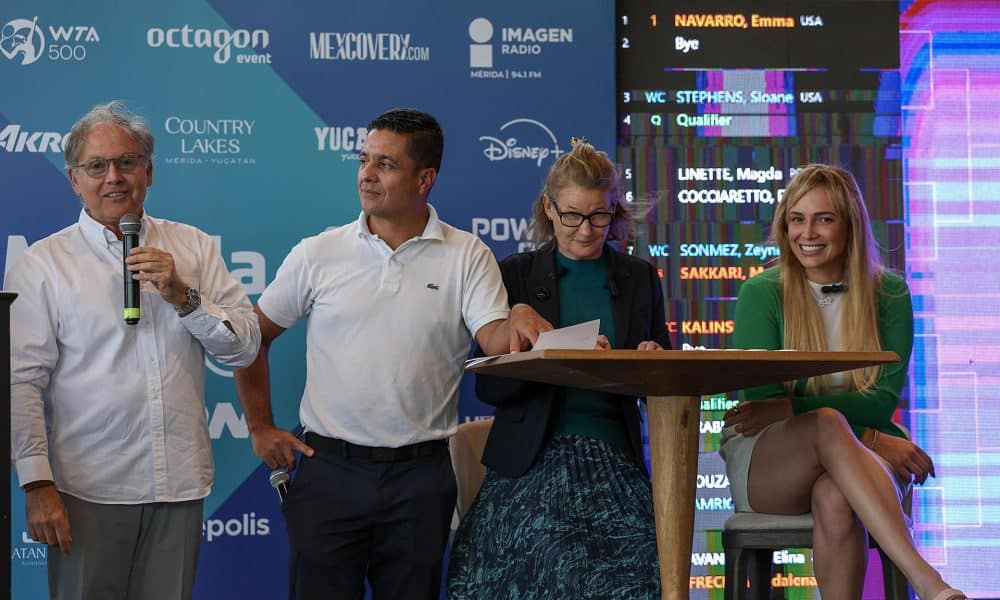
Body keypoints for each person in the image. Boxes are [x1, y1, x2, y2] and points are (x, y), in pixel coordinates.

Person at [233, 108, 550, 600]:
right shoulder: (319, 252)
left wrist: (522, 312)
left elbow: (495, 342)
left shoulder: (467, 255)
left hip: (419, 482)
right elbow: (251, 338)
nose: (367, 174)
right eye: (364, 159)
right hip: (328, 472)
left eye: (385, 164)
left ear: (425, 178)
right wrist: (258, 425)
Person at [8, 100, 261, 600]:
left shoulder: (194, 248)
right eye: (96, 166)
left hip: (179, 484)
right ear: (73, 178)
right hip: (87, 490)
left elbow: (244, 349)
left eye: (127, 162)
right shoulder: (42, 264)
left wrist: (184, 297)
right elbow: (21, 384)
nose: (114, 178)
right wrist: (37, 485)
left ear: (149, 170)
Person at [721, 163, 966, 600]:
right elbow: (763, 405)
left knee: (836, 494)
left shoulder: (889, 294)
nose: (807, 232)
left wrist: (858, 428)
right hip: (771, 461)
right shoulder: (761, 293)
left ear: (849, 224)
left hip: (859, 455)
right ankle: (927, 580)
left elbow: (880, 400)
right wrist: (872, 438)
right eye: (797, 219)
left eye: (823, 218)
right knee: (824, 422)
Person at [447, 139, 670, 599]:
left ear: (615, 211)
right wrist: (552, 355)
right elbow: (490, 386)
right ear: (549, 209)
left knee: (641, 567)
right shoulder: (515, 276)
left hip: (614, 459)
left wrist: (646, 359)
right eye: (572, 215)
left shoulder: (640, 277)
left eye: (600, 215)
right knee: (544, 553)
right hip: (531, 461)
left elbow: (663, 381)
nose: (586, 230)